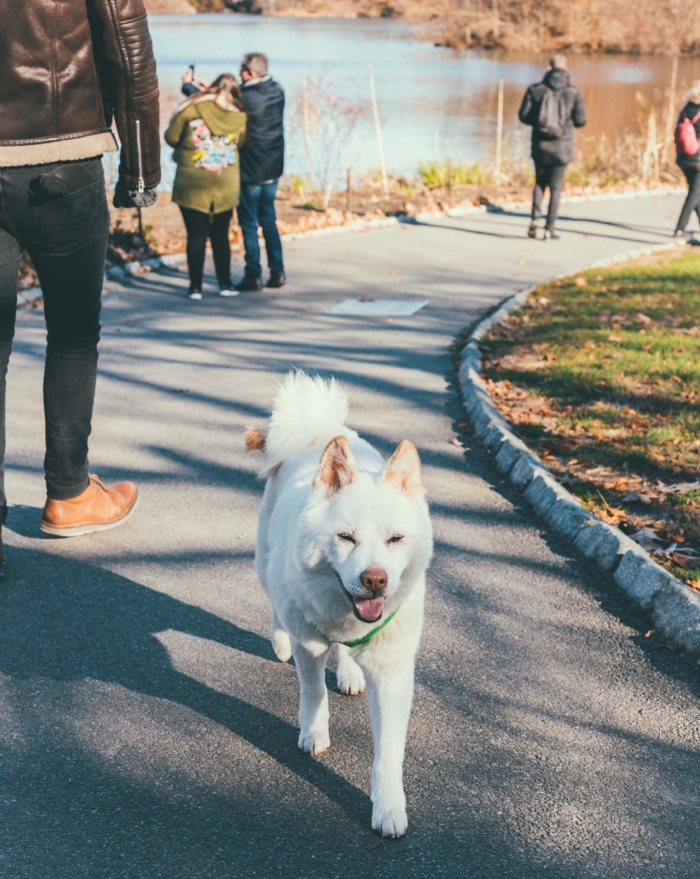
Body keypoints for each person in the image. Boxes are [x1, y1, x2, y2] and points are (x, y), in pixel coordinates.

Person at [0, 0, 161, 557]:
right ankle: (69, 495)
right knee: (70, 337)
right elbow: (128, 47)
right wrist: (140, 171)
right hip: (61, 161)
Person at [165, 75, 247, 300]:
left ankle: (195, 288)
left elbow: (171, 138)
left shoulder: (192, 109)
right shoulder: (239, 117)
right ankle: (225, 284)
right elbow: (240, 143)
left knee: (196, 236)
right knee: (221, 235)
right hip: (225, 185)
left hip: (191, 183)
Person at [518, 54, 587, 240]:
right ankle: (549, 228)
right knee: (556, 188)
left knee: (540, 182)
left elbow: (523, 116)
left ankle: (534, 219)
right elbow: (581, 121)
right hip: (562, 147)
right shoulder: (574, 93)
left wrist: (539, 121)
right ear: (566, 69)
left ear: (549, 68)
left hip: (540, 145)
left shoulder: (535, 89)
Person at [236, 53, 286, 292]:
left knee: (248, 223)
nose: (239, 74)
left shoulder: (245, 98)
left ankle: (253, 275)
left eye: (241, 71)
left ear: (251, 73)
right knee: (269, 220)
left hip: (250, 171)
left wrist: (191, 88)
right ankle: (278, 272)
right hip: (273, 167)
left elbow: (223, 105)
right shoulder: (278, 90)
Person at [674, 80, 700, 237]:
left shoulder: (685, 110)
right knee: (694, 194)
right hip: (698, 160)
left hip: (683, 158)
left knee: (696, 193)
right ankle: (680, 228)